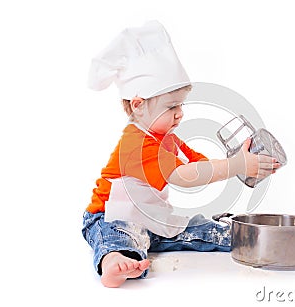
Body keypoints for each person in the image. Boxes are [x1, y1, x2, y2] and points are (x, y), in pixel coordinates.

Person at [82, 20, 280, 288]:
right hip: (109, 217)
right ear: (139, 105)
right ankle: (114, 261)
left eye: (181, 104)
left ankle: (241, 237)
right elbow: (183, 176)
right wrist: (235, 165)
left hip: (150, 219)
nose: (180, 113)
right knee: (120, 237)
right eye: (171, 106)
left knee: (195, 228)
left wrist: (242, 164)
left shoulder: (168, 139)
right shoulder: (136, 143)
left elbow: (200, 165)